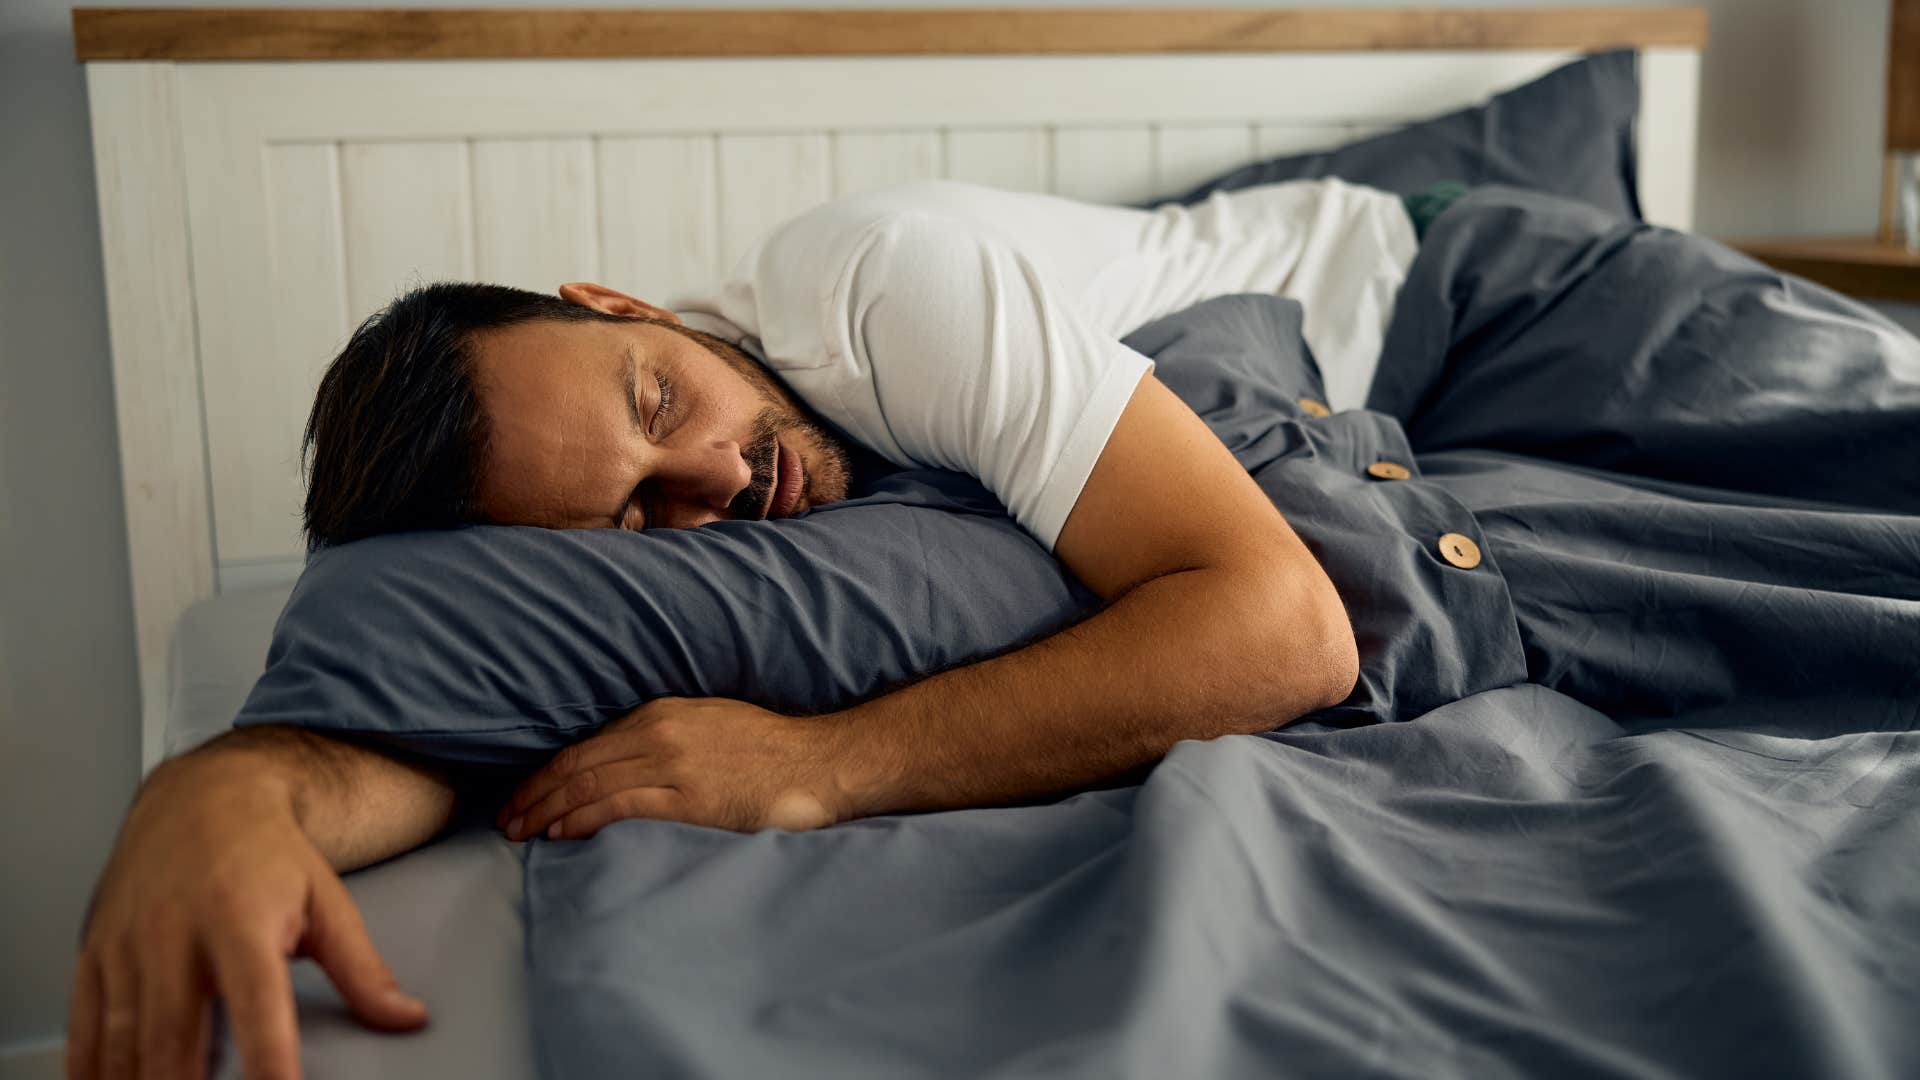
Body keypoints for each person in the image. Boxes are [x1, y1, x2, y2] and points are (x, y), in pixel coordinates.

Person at [69, 176, 1430, 1079]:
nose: (717, 480)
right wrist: (223, 792)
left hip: (1429, 294)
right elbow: (467, 707)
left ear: (622, 305)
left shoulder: (876, 292)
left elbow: (1288, 631)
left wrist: (821, 765)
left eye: (657, 402)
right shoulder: (697, 503)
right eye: (635, 519)